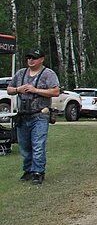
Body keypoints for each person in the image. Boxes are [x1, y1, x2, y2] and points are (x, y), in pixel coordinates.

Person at [8, 47, 60, 185]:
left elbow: (55, 91)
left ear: (41, 59)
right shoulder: (20, 74)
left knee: (38, 144)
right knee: (24, 145)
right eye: (29, 58)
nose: (30, 60)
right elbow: (9, 89)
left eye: (34, 58)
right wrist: (18, 89)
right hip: (23, 114)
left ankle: (38, 172)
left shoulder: (48, 74)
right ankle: (28, 170)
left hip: (40, 114)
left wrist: (35, 90)